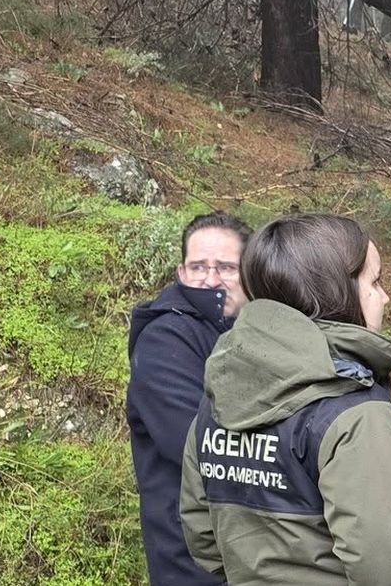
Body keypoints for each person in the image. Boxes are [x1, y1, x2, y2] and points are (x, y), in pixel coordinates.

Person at [179, 213, 391, 586]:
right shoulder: (356, 414)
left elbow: (204, 538)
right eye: (374, 281)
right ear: (336, 291)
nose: (385, 296)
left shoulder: (220, 399)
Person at [127, 211, 251, 586]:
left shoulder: (250, 335)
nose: (211, 280)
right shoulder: (166, 340)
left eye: (226, 268)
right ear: (181, 273)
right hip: (192, 562)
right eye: (199, 267)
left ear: (250, 275)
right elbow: (200, 445)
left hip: (250, 556)